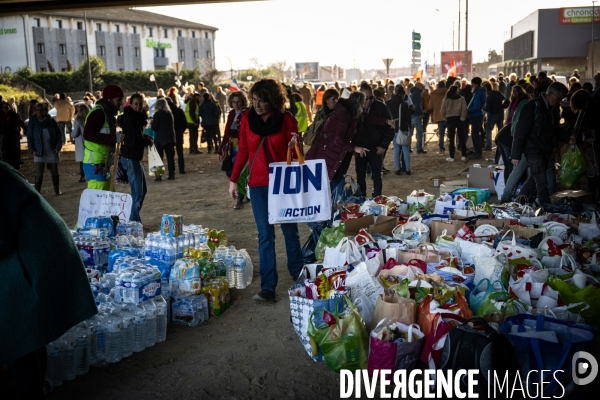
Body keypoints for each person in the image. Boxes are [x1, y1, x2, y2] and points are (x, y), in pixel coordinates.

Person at [0, 161, 97, 399]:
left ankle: (28, 392)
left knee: (22, 333)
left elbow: (2, 238)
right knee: (31, 332)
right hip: (33, 250)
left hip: (38, 255)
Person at [227, 79, 303, 302]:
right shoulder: (247, 119)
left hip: (283, 184)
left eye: (262, 100)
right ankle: (268, 287)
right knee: (265, 235)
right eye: (255, 100)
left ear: (273, 99)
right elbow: (243, 150)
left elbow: (298, 152)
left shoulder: (286, 119)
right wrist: (234, 180)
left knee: (290, 231)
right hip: (258, 185)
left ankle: (298, 272)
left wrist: (295, 145)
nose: (257, 105)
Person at [511, 82, 568, 205]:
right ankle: (546, 208)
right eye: (559, 98)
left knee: (535, 178)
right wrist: (515, 154)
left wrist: (569, 138)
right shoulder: (532, 106)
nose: (560, 102)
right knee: (541, 181)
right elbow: (520, 131)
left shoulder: (554, 109)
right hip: (532, 148)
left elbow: (555, 129)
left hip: (545, 148)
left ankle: (518, 202)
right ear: (550, 94)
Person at [306, 91, 367, 190]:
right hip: (329, 153)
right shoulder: (344, 114)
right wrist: (354, 148)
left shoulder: (347, 112)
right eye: (363, 103)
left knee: (335, 184)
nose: (364, 106)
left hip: (332, 153)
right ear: (358, 103)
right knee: (335, 185)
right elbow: (338, 139)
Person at [353, 82, 395, 196]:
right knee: (360, 177)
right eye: (365, 98)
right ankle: (362, 199)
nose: (368, 101)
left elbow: (390, 128)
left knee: (376, 176)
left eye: (371, 98)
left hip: (376, 148)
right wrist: (354, 147)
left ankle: (377, 199)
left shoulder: (381, 107)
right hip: (360, 149)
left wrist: (383, 145)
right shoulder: (356, 108)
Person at [83, 84, 125, 190]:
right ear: (109, 99)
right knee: (98, 203)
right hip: (94, 164)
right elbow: (88, 134)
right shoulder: (99, 113)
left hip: (102, 163)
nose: (121, 103)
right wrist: (113, 138)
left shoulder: (106, 114)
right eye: (119, 100)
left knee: (109, 199)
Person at [119, 93, 153, 221]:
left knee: (142, 191)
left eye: (140, 104)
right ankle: (133, 223)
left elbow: (135, 137)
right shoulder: (130, 119)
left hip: (134, 158)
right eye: (135, 104)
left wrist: (145, 138)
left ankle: (133, 220)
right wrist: (146, 141)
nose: (138, 106)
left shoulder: (137, 118)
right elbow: (133, 141)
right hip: (130, 158)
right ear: (131, 105)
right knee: (137, 193)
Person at [218, 91, 249, 209]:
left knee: (241, 172)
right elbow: (226, 134)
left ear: (242, 102)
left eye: (238, 102)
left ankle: (240, 198)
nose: (236, 104)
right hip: (232, 148)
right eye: (234, 102)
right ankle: (244, 192)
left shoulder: (246, 114)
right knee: (229, 171)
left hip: (244, 147)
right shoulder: (231, 114)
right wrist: (221, 150)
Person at [498, 86, 529, 202]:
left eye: (516, 91)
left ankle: (507, 195)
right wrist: (515, 155)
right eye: (513, 91)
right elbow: (517, 135)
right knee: (512, 168)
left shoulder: (519, 103)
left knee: (512, 168)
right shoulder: (522, 105)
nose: (514, 93)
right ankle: (507, 196)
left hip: (505, 136)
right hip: (507, 139)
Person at [26, 102, 63, 195]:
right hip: (38, 151)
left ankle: (56, 189)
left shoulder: (51, 120)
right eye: (37, 110)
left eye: (41, 110)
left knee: (54, 171)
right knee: (38, 172)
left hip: (51, 150)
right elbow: (29, 136)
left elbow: (59, 134)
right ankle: (37, 192)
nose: (39, 112)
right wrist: (32, 150)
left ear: (45, 110)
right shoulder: (33, 121)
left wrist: (58, 147)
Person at [571, 89, 600, 203]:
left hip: (592, 150)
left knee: (593, 178)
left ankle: (592, 200)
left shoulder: (589, 110)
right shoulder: (592, 106)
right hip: (592, 150)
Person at [386, 85, 412, 175]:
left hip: (393, 128)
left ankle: (397, 169)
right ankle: (407, 169)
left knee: (396, 150)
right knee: (405, 150)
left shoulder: (388, 103)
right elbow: (408, 118)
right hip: (403, 128)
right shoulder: (404, 105)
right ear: (403, 94)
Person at [440, 85, 468, 162]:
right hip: (459, 119)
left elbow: (442, 111)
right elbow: (464, 109)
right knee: (462, 138)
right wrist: (462, 118)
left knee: (451, 139)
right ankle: (464, 155)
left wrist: (446, 118)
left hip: (450, 119)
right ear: (456, 90)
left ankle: (451, 157)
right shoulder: (461, 99)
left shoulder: (446, 99)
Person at [151, 98, 177, 181]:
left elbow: (154, 127)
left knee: (159, 158)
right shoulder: (169, 113)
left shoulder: (157, 114)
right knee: (170, 158)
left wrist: (152, 122)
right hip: (170, 138)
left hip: (160, 138)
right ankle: (171, 174)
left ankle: (159, 176)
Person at [483, 81, 509, 151]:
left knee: (488, 130)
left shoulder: (489, 96)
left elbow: (487, 108)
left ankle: (489, 145)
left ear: (485, 89)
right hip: (501, 113)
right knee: (500, 130)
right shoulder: (497, 93)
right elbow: (504, 99)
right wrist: (502, 106)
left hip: (493, 114)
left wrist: (483, 108)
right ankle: (501, 144)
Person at [0, 101, 25, 170]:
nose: (5, 109)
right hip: (5, 137)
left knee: (15, 151)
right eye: (4, 107)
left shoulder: (14, 115)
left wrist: (25, 128)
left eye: (7, 107)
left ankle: (16, 165)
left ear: (9, 107)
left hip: (14, 136)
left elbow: (20, 122)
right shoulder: (1, 115)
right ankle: (8, 166)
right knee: (6, 152)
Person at [467, 77, 487, 159]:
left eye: (472, 83)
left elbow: (477, 106)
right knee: (475, 134)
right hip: (478, 115)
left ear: (475, 84)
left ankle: (478, 152)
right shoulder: (481, 92)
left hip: (476, 115)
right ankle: (476, 151)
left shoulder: (478, 93)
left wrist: (467, 110)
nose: (471, 85)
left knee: (475, 135)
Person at [166, 97, 187, 174]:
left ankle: (172, 170)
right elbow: (185, 123)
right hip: (178, 133)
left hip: (169, 135)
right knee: (180, 153)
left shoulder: (166, 113)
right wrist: (181, 130)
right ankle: (181, 169)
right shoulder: (179, 111)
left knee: (170, 154)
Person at [71, 103, 90, 183]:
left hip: (81, 142)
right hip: (89, 142)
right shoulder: (90, 119)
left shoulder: (78, 121)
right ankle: (89, 175)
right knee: (89, 159)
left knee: (82, 160)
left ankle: (82, 176)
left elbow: (75, 133)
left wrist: (71, 134)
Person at [429, 81, 448, 155]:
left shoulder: (433, 94)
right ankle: (453, 148)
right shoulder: (448, 92)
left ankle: (441, 149)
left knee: (441, 134)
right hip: (448, 116)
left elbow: (430, 106)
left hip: (438, 116)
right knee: (451, 134)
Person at [409, 83, 426, 154]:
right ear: (418, 87)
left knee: (410, 133)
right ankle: (419, 148)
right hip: (416, 115)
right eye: (422, 87)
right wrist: (421, 113)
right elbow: (418, 104)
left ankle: (408, 147)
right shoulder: (418, 93)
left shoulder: (411, 93)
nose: (423, 88)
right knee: (419, 132)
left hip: (410, 115)